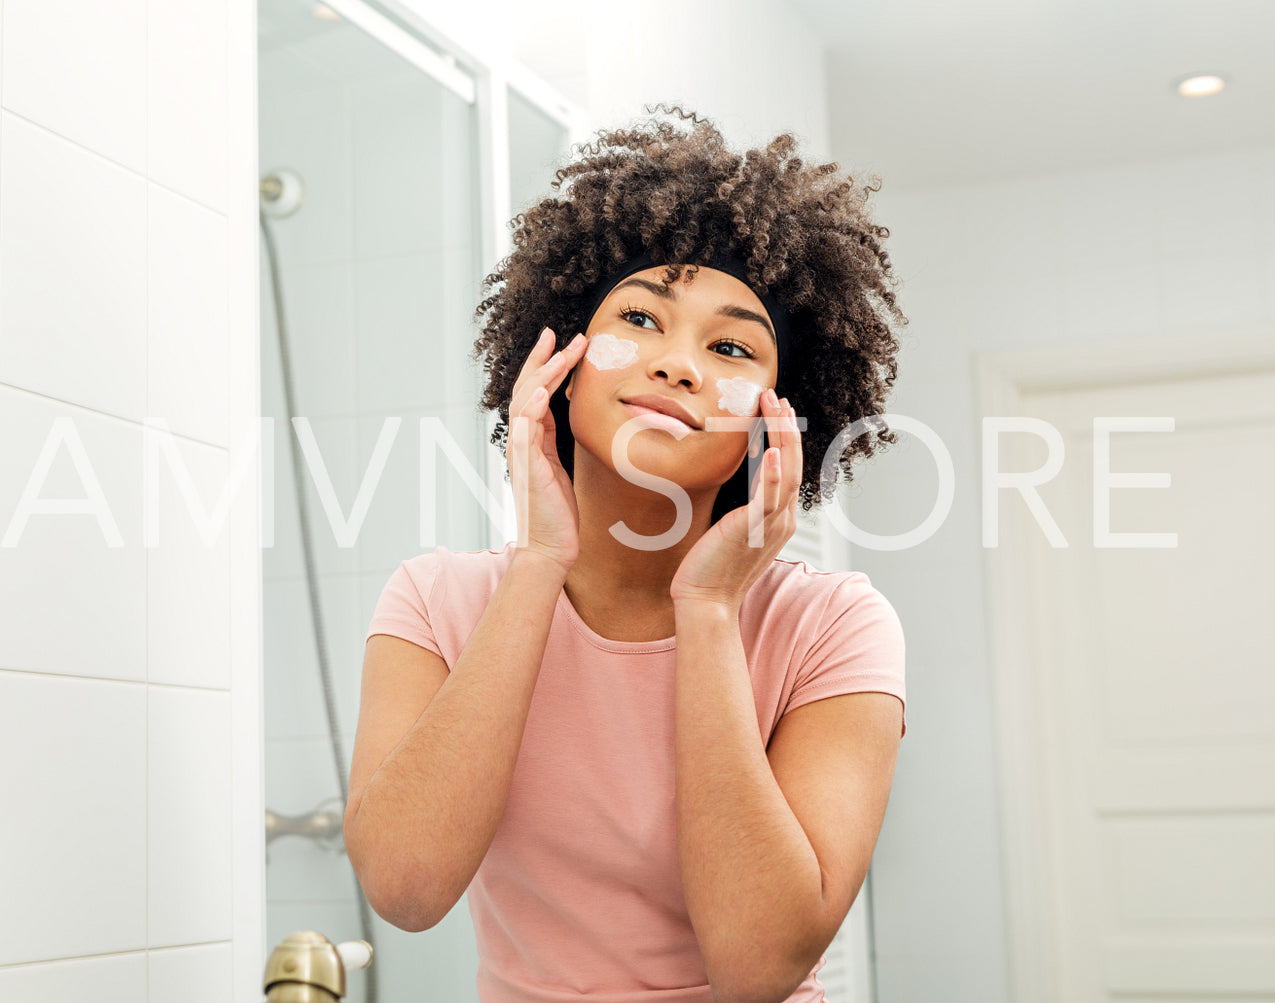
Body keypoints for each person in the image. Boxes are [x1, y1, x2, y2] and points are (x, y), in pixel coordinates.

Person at [344, 104, 910, 1003]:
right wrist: (537, 561)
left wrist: (712, 609)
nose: (678, 364)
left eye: (728, 346)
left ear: (778, 422)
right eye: (640, 318)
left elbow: (757, 964)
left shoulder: (831, 627)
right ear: (560, 370)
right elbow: (405, 890)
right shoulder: (434, 602)